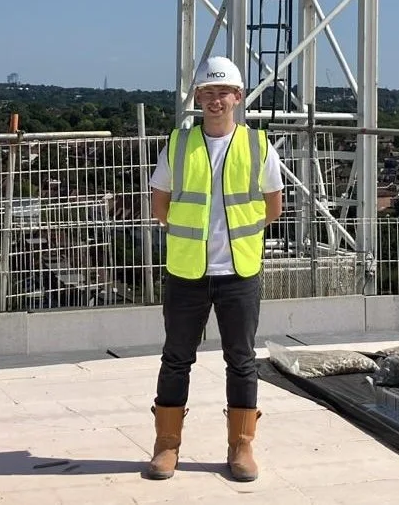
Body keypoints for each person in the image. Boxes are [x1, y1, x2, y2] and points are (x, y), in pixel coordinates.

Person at [146, 56, 283, 483]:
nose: (214, 100)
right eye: (207, 93)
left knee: (241, 360)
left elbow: (273, 206)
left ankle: (241, 446)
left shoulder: (258, 145)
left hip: (239, 272)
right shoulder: (180, 143)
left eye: (222, 92)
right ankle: (167, 446)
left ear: (238, 98)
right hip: (188, 272)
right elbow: (160, 202)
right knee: (176, 359)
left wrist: (237, 240)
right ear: (197, 99)